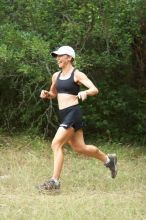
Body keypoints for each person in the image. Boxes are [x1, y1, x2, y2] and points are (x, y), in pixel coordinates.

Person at [39, 46, 117, 191]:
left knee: (56, 144)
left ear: (69, 57)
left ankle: (54, 182)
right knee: (80, 148)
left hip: (73, 113)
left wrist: (85, 93)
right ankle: (109, 160)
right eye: (56, 56)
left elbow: (94, 89)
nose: (57, 58)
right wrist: (47, 95)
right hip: (63, 114)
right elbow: (54, 93)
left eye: (60, 56)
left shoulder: (77, 74)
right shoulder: (56, 76)